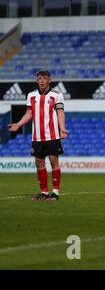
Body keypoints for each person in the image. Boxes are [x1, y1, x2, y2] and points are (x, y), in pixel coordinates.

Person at [8, 69, 68, 201]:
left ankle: (55, 193)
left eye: (44, 78)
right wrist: (18, 124)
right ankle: (44, 192)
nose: (42, 80)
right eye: (39, 78)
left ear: (49, 80)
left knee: (53, 161)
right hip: (37, 136)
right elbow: (29, 113)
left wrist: (62, 128)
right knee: (39, 162)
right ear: (37, 80)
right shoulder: (31, 95)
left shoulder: (57, 94)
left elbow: (60, 112)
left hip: (52, 135)